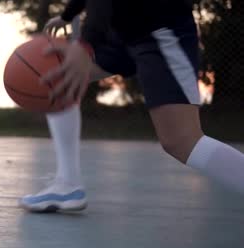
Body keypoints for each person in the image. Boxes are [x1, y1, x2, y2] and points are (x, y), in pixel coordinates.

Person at [20, 0, 244, 212]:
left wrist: (85, 44)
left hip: (160, 30)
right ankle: (67, 185)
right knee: (55, 76)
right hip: (122, 30)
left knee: (182, 141)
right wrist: (70, 13)